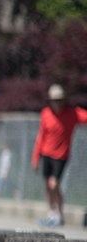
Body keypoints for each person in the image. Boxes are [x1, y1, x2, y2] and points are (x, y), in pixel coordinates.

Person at [31, 84, 87, 227]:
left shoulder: (72, 114)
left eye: (59, 100)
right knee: (47, 185)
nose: (57, 104)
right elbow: (41, 136)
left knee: (54, 183)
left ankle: (60, 214)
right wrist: (36, 157)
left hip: (61, 155)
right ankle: (51, 213)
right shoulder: (46, 114)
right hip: (46, 153)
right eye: (54, 101)